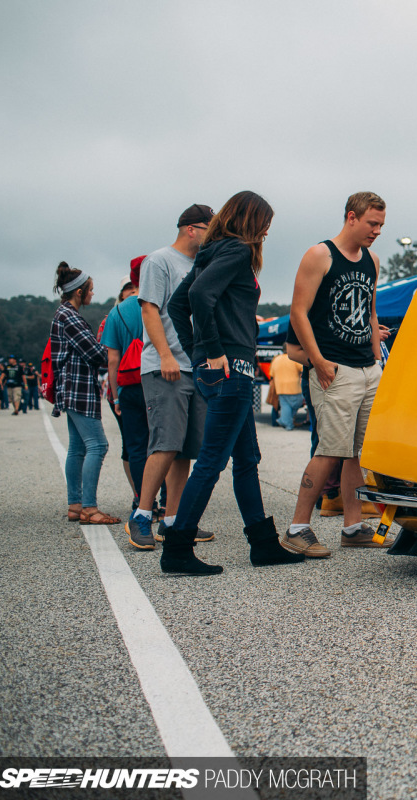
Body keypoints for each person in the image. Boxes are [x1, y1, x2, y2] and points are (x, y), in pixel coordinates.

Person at [160, 191, 303, 575]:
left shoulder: (213, 250)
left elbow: (178, 305)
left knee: (246, 460)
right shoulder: (237, 251)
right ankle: (176, 549)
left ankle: (263, 544)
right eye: (265, 223)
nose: (268, 232)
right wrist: (210, 350)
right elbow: (197, 296)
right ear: (251, 220)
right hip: (231, 369)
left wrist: (197, 354)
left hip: (222, 369)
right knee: (211, 462)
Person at [283, 191, 387, 556]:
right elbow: (299, 312)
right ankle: (297, 527)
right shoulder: (320, 255)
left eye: (381, 225)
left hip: (366, 367)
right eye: (372, 223)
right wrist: (318, 360)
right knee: (329, 450)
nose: (377, 231)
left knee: (358, 451)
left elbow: (371, 313)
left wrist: (377, 359)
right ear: (351, 217)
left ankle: (353, 526)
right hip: (334, 367)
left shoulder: (372, 260)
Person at [128, 204, 215, 550]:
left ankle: (174, 520)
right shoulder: (159, 260)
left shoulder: (201, 265)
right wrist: (165, 354)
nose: (214, 236)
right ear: (191, 229)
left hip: (196, 365)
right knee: (164, 443)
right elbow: (149, 308)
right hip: (166, 366)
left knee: (185, 451)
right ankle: (141, 515)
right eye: (210, 229)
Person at [49, 262, 119, 525]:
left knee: (78, 448)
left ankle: (75, 505)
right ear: (78, 292)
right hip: (78, 388)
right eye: (90, 290)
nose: (93, 293)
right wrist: (115, 354)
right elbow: (96, 353)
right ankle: (89, 508)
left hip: (71, 387)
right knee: (98, 445)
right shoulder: (71, 317)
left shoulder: (63, 313)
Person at [102, 259, 149, 525]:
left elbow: (112, 359)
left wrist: (116, 395)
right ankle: (167, 503)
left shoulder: (117, 312)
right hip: (159, 382)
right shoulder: (163, 303)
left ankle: (144, 501)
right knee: (164, 445)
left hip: (129, 385)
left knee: (136, 446)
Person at [268, 349, 304, 429]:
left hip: (280, 387)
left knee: (285, 406)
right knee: (297, 403)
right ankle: (286, 422)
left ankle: (285, 421)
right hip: (294, 386)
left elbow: (271, 373)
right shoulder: (294, 358)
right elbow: (302, 368)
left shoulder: (276, 359)